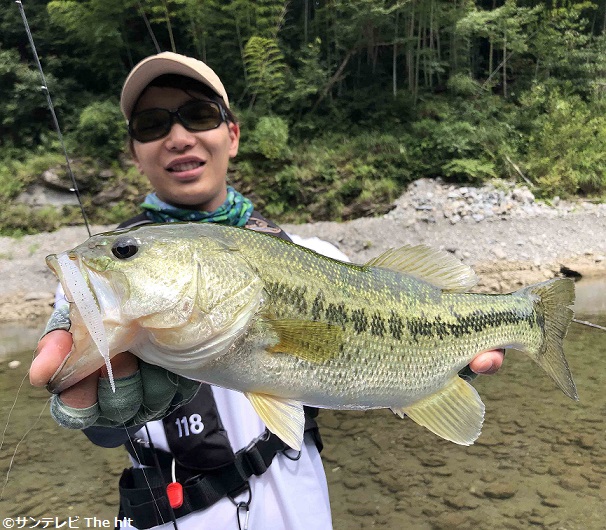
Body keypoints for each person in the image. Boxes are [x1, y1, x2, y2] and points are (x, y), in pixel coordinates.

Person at [30, 52, 505, 530]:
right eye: (152, 125)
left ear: (231, 135)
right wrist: (101, 413)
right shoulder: (97, 286)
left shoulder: (317, 256)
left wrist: (435, 366)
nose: (178, 137)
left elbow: (375, 351)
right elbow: (99, 429)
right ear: (134, 153)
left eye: (199, 116)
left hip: (298, 507)